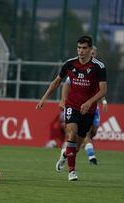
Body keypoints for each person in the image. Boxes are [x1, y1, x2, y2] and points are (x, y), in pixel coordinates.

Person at [36, 35, 107, 181]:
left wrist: (90, 102)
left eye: (84, 48)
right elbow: (57, 82)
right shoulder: (70, 64)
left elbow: (103, 90)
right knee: (72, 133)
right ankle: (72, 171)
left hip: (89, 109)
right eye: (79, 48)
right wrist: (44, 98)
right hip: (72, 106)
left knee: (78, 145)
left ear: (90, 49)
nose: (81, 51)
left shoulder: (98, 67)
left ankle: (64, 155)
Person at [58, 46, 108, 165]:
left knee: (93, 132)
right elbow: (66, 84)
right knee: (83, 134)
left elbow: (100, 90)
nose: (93, 55)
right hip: (78, 107)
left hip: (94, 107)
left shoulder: (97, 68)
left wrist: (104, 101)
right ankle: (91, 157)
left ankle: (66, 153)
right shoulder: (78, 68)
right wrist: (63, 100)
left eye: (94, 53)